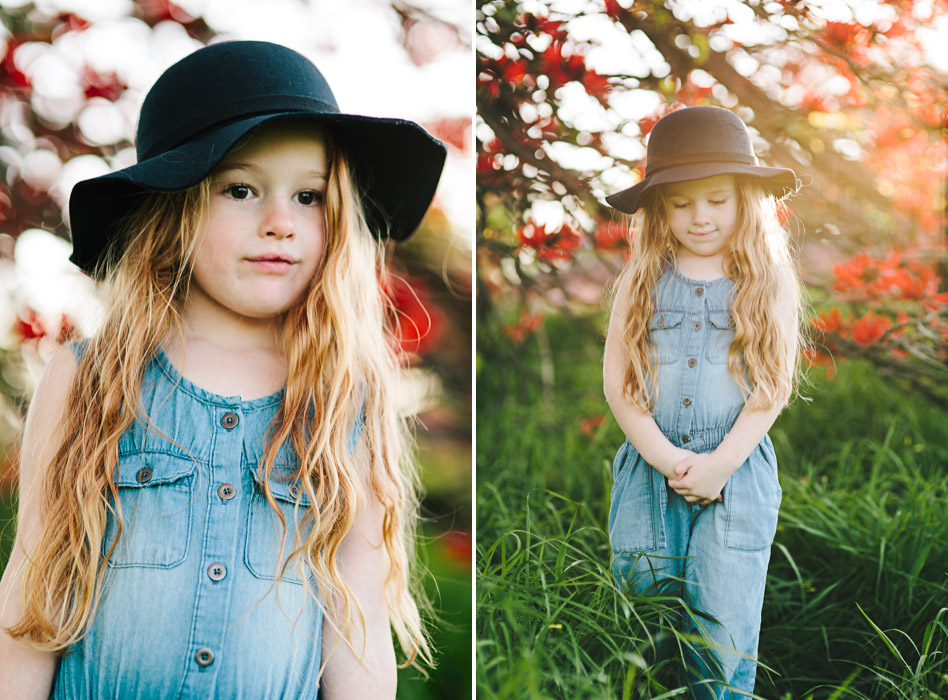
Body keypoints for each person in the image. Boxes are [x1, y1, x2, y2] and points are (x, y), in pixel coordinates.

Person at [0, 40, 445, 699]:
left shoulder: (347, 399)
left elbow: (358, 622)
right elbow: (30, 600)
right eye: (241, 189)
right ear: (172, 206)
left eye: (308, 196)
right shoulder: (90, 380)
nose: (279, 223)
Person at [602, 106, 804, 697]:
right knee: (647, 621)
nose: (700, 216)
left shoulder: (768, 279)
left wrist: (719, 465)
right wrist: (668, 460)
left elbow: (772, 386)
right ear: (660, 206)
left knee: (722, 628)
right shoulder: (642, 279)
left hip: (736, 477)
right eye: (682, 202)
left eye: (716, 199)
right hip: (649, 473)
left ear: (744, 198)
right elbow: (620, 384)